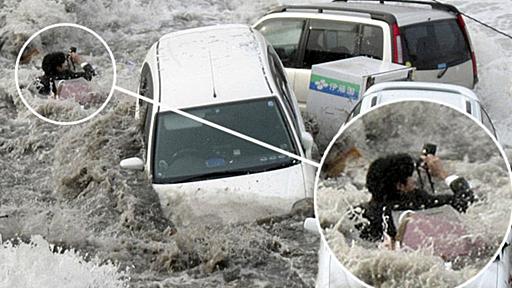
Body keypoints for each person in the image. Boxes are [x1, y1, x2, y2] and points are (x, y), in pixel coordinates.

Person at [353, 153, 475, 246]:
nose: (414, 181)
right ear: (400, 186)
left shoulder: (359, 213)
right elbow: (465, 200)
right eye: (411, 177)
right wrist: (442, 173)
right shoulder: (417, 204)